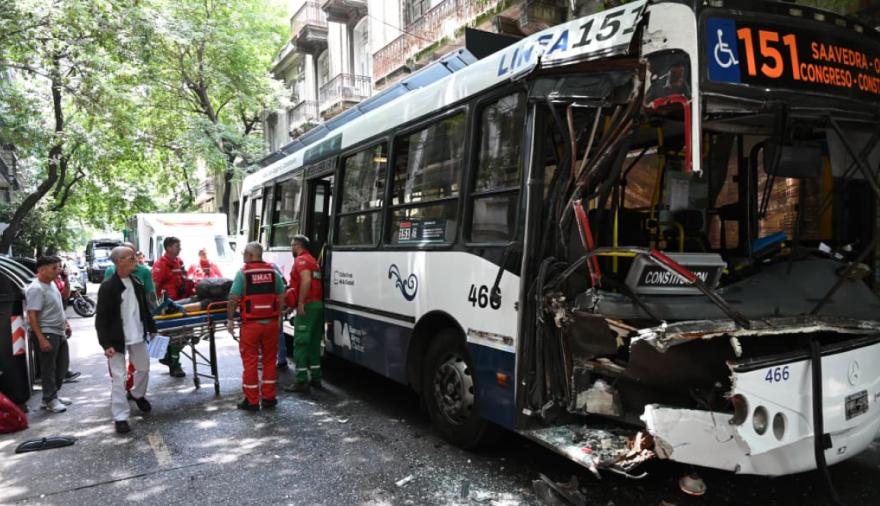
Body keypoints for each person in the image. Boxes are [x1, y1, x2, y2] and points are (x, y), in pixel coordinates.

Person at [95, 247, 157, 434]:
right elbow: (101, 319)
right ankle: (120, 417)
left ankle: (137, 394)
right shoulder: (108, 287)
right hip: (116, 339)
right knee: (119, 377)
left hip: (137, 334)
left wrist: (152, 328)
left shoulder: (136, 282)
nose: (135, 259)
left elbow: (144, 309)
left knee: (144, 367)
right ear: (119, 261)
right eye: (131, 257)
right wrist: (105, 344)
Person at [226, 242, 285, 411]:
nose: (243, 256)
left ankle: (252, 401)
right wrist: (279, 316)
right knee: (269, 360)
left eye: (245, 253)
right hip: (271, 323)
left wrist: (230, 320)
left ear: (251, 255)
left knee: (250, 361)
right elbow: (282, 295)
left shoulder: (243, 274)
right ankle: (269, 398)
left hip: (251, 325)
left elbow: (233, 298)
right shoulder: (273, 273)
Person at [26, 256, 73, 413]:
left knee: (62, 366)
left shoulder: (51, 284)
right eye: (54, 267)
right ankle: (50, 399)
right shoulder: (36, 288)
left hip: (58, 331)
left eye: (59, 267)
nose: (58, 270)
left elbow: (62, 300)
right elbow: (32, 315)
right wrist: (41, 338)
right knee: (49, 368)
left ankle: (51, 396)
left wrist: (65, 323)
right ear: (41, 270)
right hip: (47, 333)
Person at [283, 235, 324, 393]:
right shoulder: (313, 260)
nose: (291, 248)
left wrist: (300, 303)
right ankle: (316, 377)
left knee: (300, 343)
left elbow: (306, 281)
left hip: (307, 306)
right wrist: (292, 306)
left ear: (297, 246)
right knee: (314, 343)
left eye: (292, 245)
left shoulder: (301, 260)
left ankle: (301, 381)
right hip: (317, 305)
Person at [151, 236, 193, 377]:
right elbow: (154, 287)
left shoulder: (179, 262)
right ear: (168, 247)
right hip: (168, 306)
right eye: (177, 246)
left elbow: (184, 278)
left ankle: (167, 358)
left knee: (185, 334)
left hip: (181, 303)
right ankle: (174, 365)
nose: (179, 248)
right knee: (174, 336)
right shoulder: (161, 265)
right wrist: (158, 307)